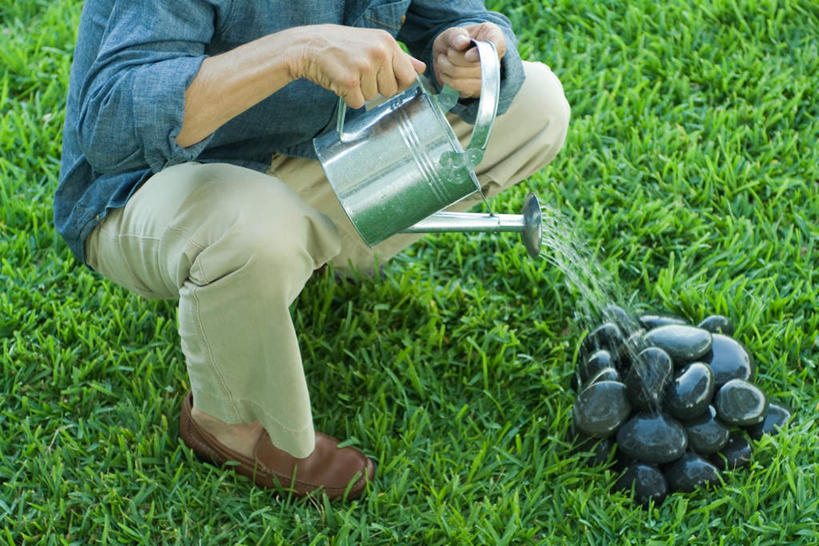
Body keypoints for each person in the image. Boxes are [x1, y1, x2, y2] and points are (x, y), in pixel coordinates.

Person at [56, 0, 570, 500]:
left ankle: (304, 256)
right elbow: (110, 122)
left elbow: (454, 16)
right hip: (146, 186)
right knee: (257, 230)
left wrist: (469, 50)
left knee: (534, 103)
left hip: (307, 152)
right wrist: (298, 50)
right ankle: (229, 422)